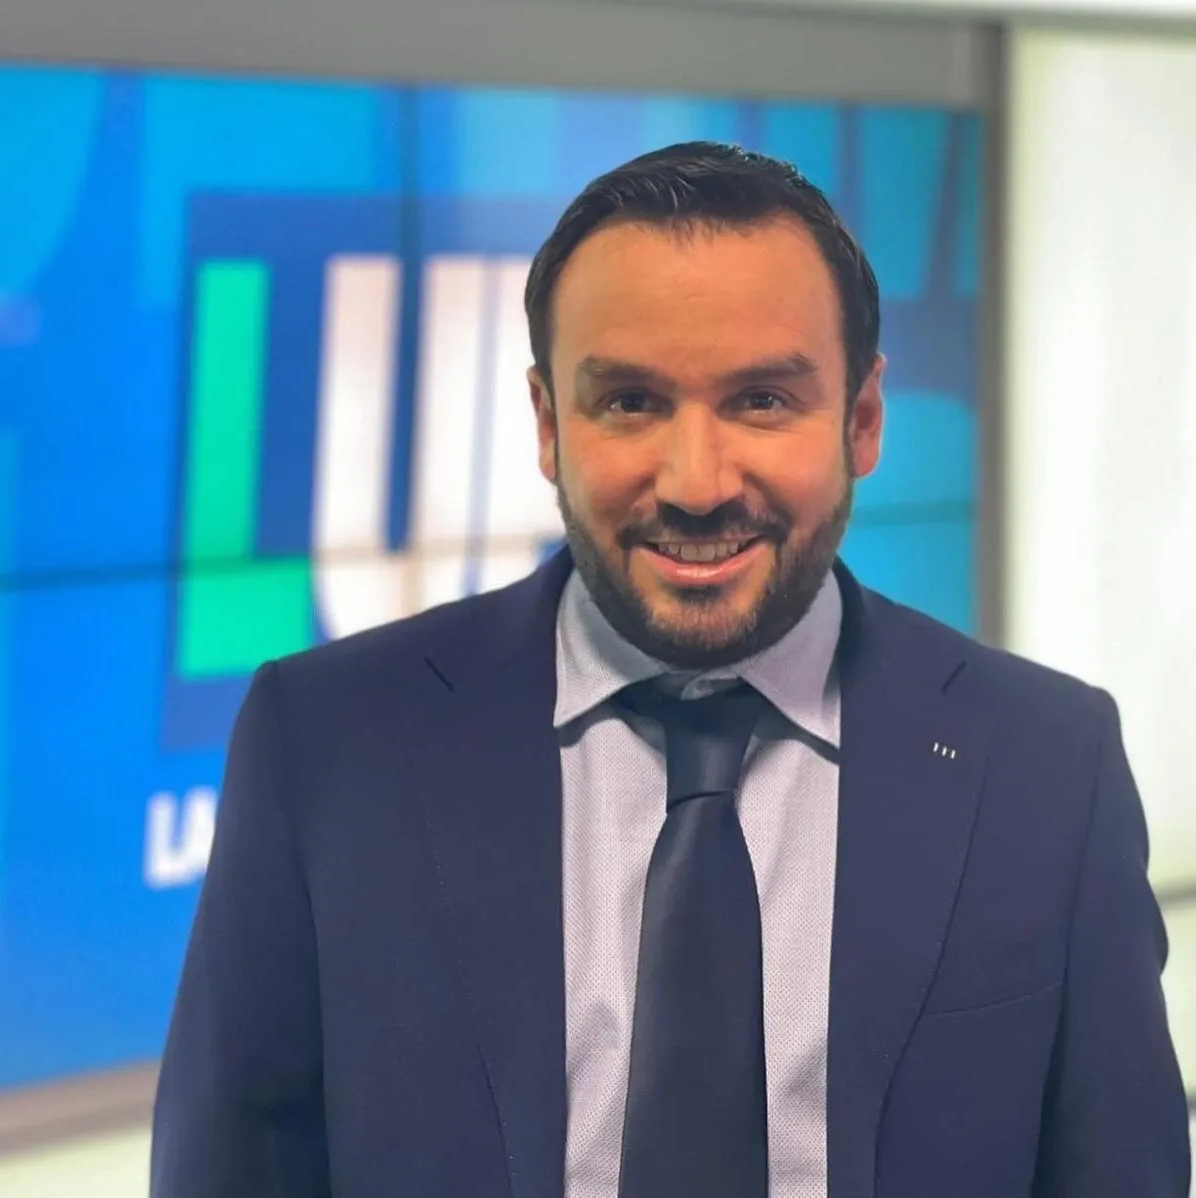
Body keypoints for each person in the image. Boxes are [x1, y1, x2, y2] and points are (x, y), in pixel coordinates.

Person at [150, 142, 1189, 1198]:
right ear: (549, 424)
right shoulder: (326, 742)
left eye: (763, 400)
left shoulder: (1048, 766)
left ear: (863, 420)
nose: (697, 483)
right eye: (631, 402)